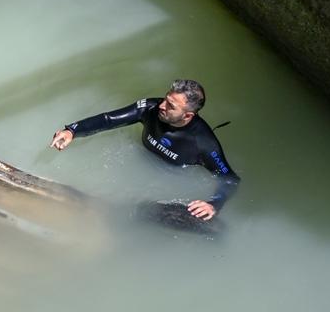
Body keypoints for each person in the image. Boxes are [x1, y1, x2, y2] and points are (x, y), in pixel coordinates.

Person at [50, 79, 239, 221]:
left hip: (168, 180)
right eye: (166, 99)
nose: (161, 106)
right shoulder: (150, 108)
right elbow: (109, 120)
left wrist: (214, 204)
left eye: (170, 106)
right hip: (138, 161)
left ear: (187, 115)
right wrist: (72, 131)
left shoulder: (203, 142)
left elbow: (230, 179)